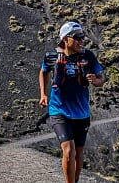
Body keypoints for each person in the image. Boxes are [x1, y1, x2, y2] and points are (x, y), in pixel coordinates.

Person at [39, 21, 105, 183]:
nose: (82, 40)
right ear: (65, 39)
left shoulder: (87, 56)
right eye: (78, 37)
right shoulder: (51, 57)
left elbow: (102, 78)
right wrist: (43, 94)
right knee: (69, 150)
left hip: (81, 112)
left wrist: (96, 81)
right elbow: (43, 72)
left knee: (78, 152)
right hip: (59, 110)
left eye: (83, 36)